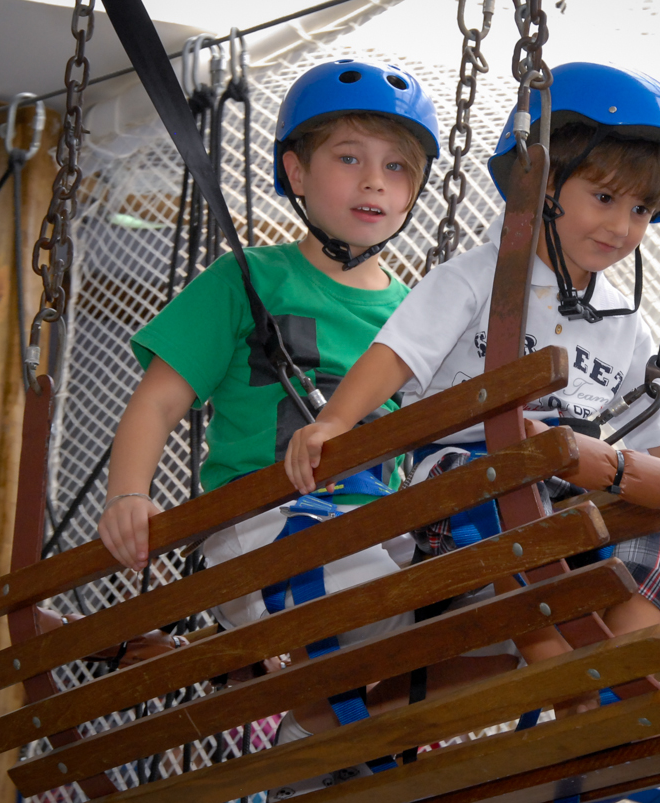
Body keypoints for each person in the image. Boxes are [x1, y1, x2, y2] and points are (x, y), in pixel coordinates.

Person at [285, 62, 660, 677]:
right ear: (543, 187)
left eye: (641, 210)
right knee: (514, 523)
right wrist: (335, 420)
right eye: (604, 198)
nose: (622, 227)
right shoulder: (477, 278)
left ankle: (630, 673)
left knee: (644, 524)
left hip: (565, 483)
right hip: (464, 482)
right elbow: (398, 354)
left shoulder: (620, 320)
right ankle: (559, 675)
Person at [97, 61, 473, 776]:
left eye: (397, 167)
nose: (374, 182)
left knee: (495, 611)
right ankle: (324, 750)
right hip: (265, 524)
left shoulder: (424, 312)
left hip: (379, 530)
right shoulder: (250, 280)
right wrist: (128, 493)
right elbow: (160, 398)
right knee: (340, 625)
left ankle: (326, 752)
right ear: (296, 173)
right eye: (349, 158)